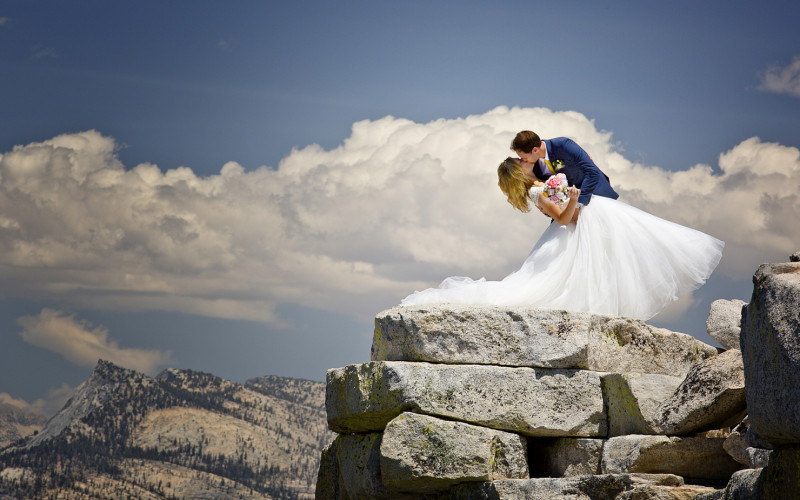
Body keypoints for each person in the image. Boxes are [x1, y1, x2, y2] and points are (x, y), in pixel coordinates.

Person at [400, 157, 724, 321]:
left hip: (586, 222)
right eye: (524, 164)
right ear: (521, 172)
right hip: (579, 223)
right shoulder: (539, 191)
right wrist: (573, 195)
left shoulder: (537, 189)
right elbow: (565, 218)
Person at [512, 130, 618, 220]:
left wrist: (578, 204)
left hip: (596, 197)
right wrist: (547, 210)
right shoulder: (533, 167)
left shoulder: (563, 145)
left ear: (535, 150)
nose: (524, 160)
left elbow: (592, 172)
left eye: (524, 157)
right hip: (570, 213)